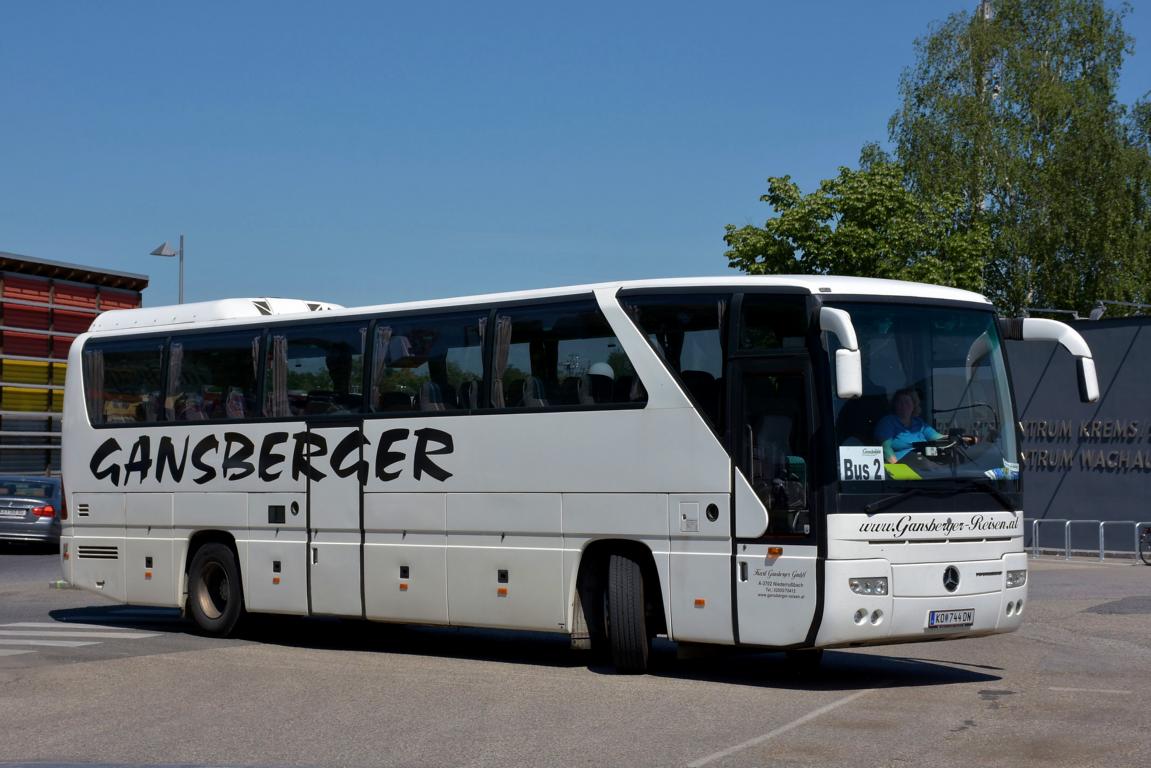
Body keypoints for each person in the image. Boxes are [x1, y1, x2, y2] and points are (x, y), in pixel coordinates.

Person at [874, 387, 944, 464]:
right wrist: (898, 469)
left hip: (925, 467)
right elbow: (886, 449)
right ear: (894, 405)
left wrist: (953, 438)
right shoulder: (888, 421)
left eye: (907, 402)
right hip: (902, 468)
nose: (903, 406)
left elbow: (938, 439)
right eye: (900, 402)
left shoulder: (919, 423)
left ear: (914, 405)